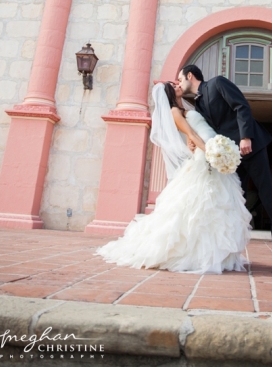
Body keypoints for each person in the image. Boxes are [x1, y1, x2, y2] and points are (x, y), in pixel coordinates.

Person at [95, 81, 252, 273]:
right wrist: (210, 151)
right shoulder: (174, 112)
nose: (178, 84)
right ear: (170, 93)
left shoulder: (185, 108)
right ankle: (198, 253)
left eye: (178, 81)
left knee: (215, 204)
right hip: (207, 153)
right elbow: (192, 133)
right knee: (202, 204)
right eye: (174, 84)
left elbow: (191, 132)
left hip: (211, 149)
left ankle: (215, 253)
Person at [179, 65, 272, 274]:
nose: (179, 84)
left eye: (180, 80)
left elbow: (241, 106)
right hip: (231, 157)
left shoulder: (217, 83)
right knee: (230, 201)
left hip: (252, 148)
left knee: (269, 198)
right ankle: (226, 254)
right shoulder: (199, 103)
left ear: (189, 75)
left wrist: (246, 137)